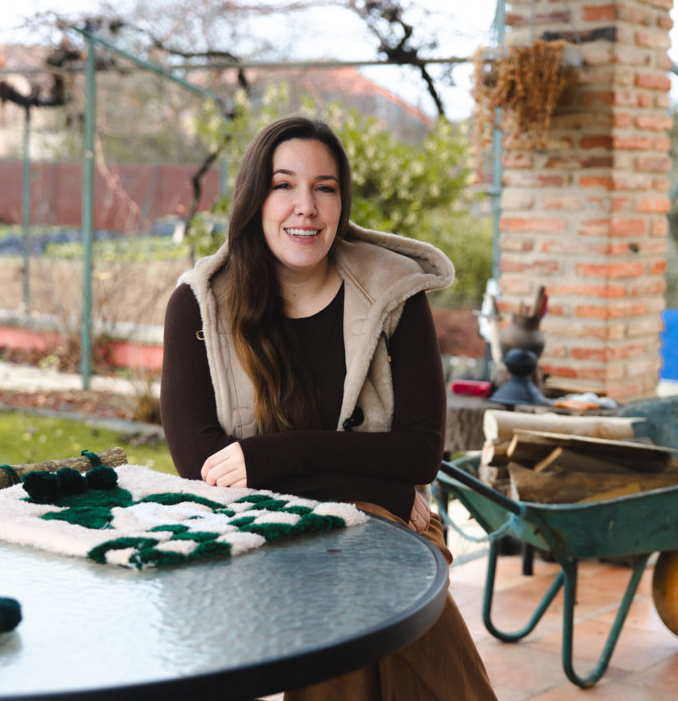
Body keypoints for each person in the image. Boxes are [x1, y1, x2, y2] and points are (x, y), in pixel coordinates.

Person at [161, 115, 497, 700]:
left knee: (346, 593)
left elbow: (420, 454)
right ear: (254, 198)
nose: (305, 207)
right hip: (259, 535)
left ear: (342, 202)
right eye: (283, 184)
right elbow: (203, 467)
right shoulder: (200, 307)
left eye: (325, 187)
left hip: (387, 530)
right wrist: (378, 487)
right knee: (353, 603)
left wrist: (276, 455)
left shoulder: (394, 293)